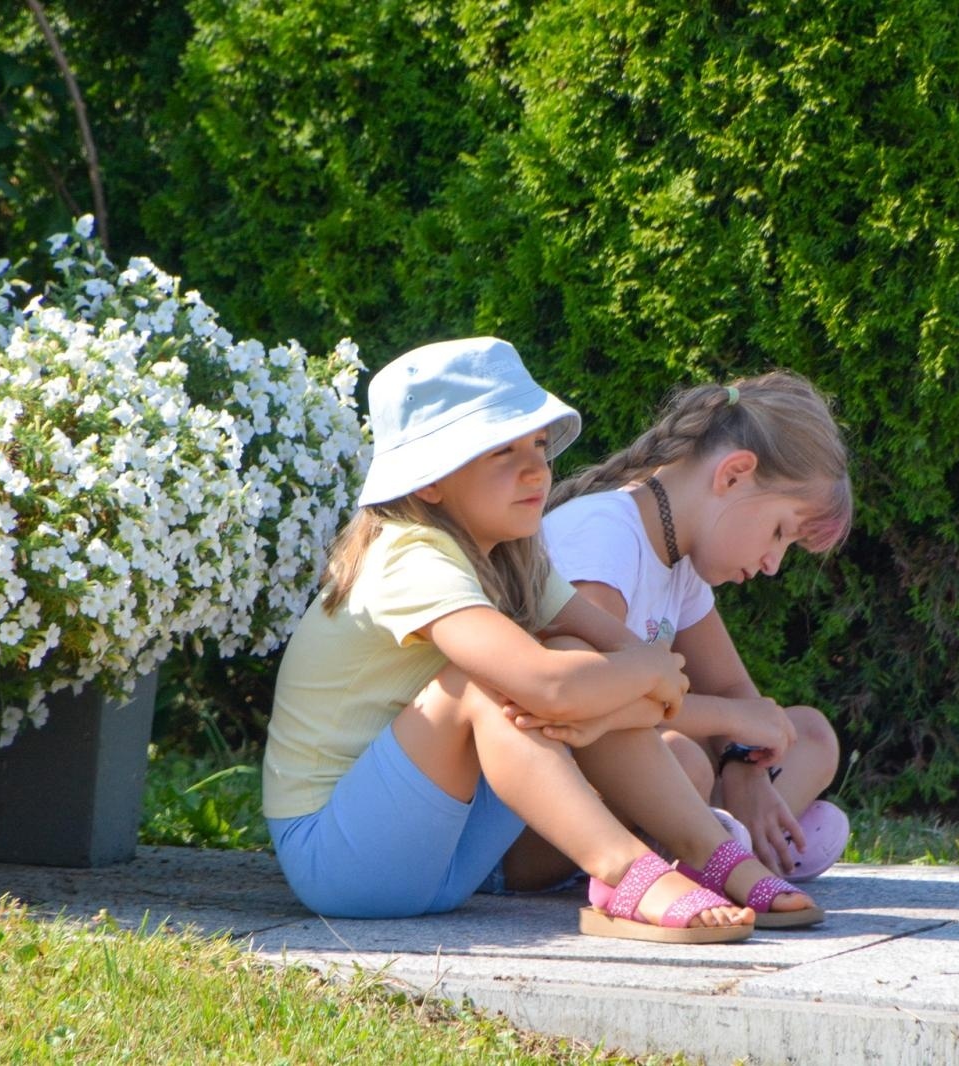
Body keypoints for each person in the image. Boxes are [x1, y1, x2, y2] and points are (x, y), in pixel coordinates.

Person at [262, 338, 822, 941]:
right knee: (485, 684)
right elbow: (563, 683)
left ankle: (711, 853)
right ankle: (622, 869)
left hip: (449, 854)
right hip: (340, 857)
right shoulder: (410, 555)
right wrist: (626, 685)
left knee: (571, 661)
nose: (536, 468)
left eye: (537, 444)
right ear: (428, 481)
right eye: (501, 451)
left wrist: (606, 701)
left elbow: (625, 662)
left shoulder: (518, 558)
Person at [530, 371, 853, 884]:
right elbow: (592, 702)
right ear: (733, 475)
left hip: (631, 778)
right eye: (778, 533)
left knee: (809, 732)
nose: (773, 564)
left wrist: (744, 765)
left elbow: (735, 693)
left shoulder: (680, 564)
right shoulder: (604, 536)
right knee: (685, 757)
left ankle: (735, 837)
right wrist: (733, 725)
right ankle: (722, 847)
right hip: (544, 820)